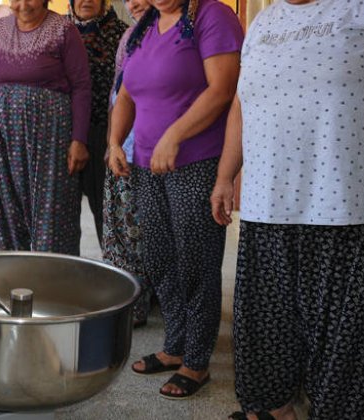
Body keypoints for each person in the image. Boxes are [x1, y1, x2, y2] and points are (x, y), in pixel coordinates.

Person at [210, 0, 364, 418]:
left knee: (346, 356)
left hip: (352, 211)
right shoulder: (263, 23)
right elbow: (242, 103)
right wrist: (226, 176)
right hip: (266, 209)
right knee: (266, 344)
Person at [108, 0, 242, 399]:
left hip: (196, 161)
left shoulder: (211, 15)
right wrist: (115, 141)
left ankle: (197, 362)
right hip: (147, 163)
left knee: (195, 259)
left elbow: (223, 89)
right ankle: (175, 344)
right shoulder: (144, 26)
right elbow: (127, 93)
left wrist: (175, 135)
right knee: (160, 257)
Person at [0, 0, 91, 255]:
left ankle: (53, 283)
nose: (23, 4)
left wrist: (79, 139)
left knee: (51, 210)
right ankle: (8, 281)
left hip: (49, 136)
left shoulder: (64, 30)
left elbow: (81, 85)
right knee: (2, 210)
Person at [102, 0, 150, 327]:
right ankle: (126, 304)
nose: (134, 3)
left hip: (154, 149)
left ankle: (147, 301)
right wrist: (112, 142)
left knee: (145, 232)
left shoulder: (178, 33)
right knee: (118, 229)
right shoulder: (129, 36)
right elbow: (117, 94)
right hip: (124, 147)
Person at [68, 0, 128, 246]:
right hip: (64, 133)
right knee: (63, 216)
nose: (87, 1)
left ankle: (113, 274)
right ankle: (62, 274)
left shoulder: (122, 33)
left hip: (107, 132)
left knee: (108, 212)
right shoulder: (60, 32)